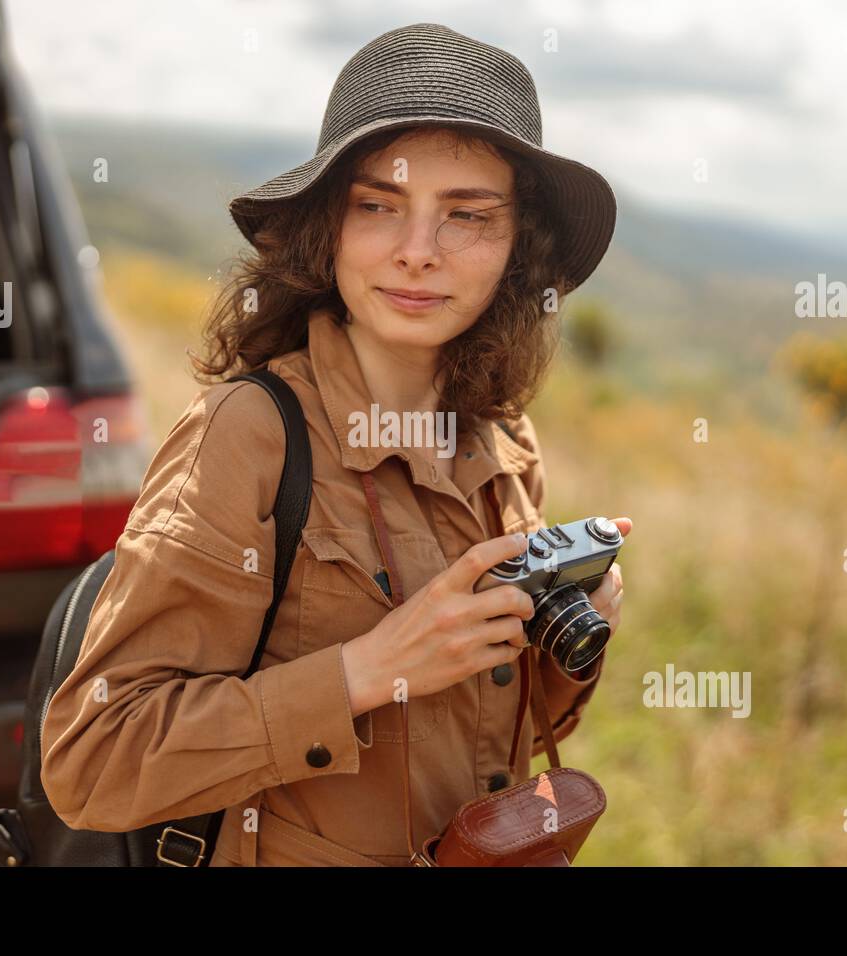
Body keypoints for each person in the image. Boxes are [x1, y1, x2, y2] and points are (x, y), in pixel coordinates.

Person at [40, 22, 631, 866]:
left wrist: (576, 637)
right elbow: (94, 761)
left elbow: (506, 738)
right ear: (329, 227)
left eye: (467, 216)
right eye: (379, 206)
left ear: (515, 248)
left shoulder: (504, 444)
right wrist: (367, 669)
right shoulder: (249, 436)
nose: (417, 253)